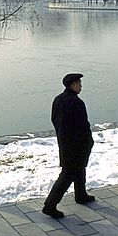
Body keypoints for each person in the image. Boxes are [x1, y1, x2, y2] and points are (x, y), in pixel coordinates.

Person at [42, 72, 96, 219]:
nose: (81, 86)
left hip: (64, 142)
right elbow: (83, 125)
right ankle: (50, 206)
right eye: (79, 83)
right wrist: (88, 140)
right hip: (76, 143)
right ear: (72, 85)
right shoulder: (77, 102)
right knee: (68, 174)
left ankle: (81, 194)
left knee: (79, 168)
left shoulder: (58, 99)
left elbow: (54, 119)